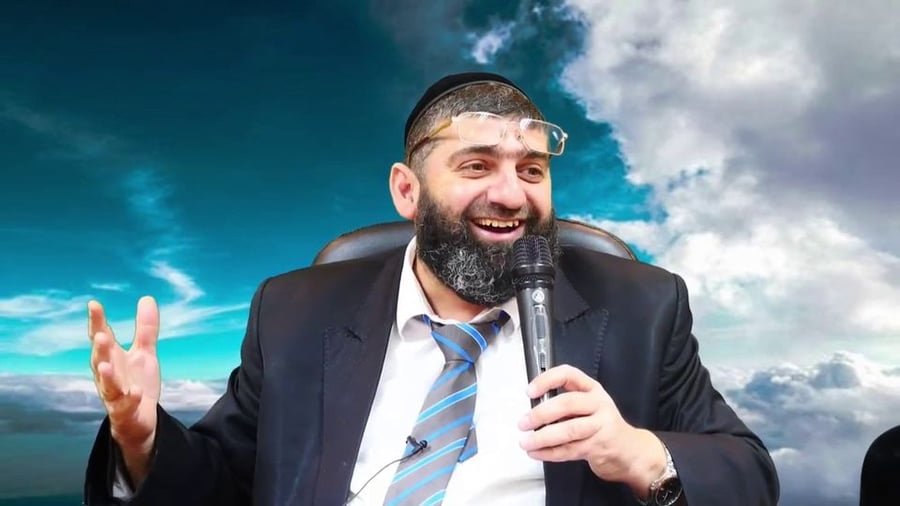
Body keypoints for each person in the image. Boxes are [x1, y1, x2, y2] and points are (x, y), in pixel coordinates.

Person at [84, 72, 779, 505]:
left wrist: (638, 454)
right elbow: (224, 483)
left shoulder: (641, 308)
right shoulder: (294, 313)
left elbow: (749, 475)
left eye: (532, 171)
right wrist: (141, 437)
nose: (512, 195)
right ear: (407, 190)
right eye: (476, 166)